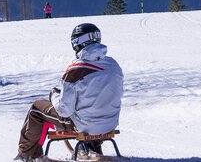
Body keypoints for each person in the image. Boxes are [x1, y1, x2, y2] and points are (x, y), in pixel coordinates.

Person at [15, 23, 124, 162]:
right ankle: (92, 146)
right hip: (110, 123)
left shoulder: (76, 69)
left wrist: (54, 95)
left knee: (36, 109)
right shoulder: (113, 65)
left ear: (77, 43)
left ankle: (27, 155)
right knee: (91, 104)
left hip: (85, 126)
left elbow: (64, 110)